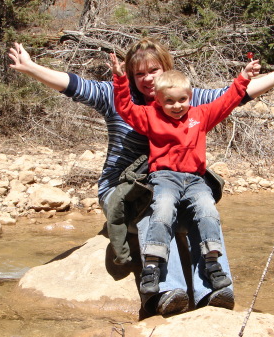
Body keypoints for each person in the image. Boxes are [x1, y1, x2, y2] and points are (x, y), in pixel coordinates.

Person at [8, 38, 274, 316]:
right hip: (122, 187)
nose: (148, 78)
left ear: (166, 69)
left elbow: (233, 97)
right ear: (132, 77)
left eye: (154, 70)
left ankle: (214, 292)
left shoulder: (180, 97)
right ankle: (169, 290)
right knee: (159, 211)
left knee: (203, 213)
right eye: (140, 74)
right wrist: (31, 67)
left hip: (173, 181)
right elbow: (74, 85)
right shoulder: (116, 97)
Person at [108, 52, 260, 297]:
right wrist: (120, 78)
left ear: (190, 97)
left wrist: (243, 77)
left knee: (208, 209)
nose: (176, 106)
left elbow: (228, 100)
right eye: (169, 101)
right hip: (164, 177)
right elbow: (124, 107)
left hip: (195, 179)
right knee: (163, 208)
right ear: (157, 100)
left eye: (182, 100)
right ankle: (152, 265)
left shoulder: (200, 116)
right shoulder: (150, 116)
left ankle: (212, 262)